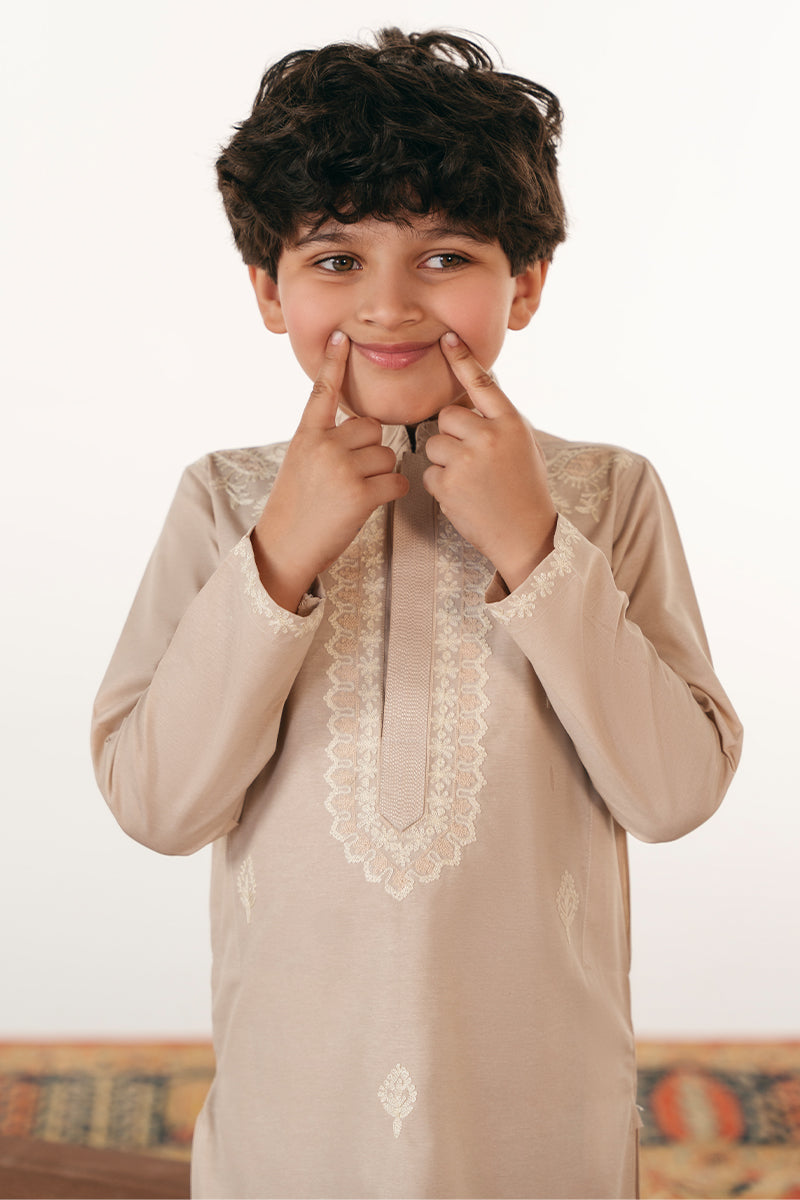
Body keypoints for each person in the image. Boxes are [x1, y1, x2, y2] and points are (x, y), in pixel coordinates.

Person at [91, 28, 742, 1199]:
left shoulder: (606, 496)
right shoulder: (225, 502)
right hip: (293, 1134)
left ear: (524, 283)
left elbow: (673, 792)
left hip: (535, 1137)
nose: (387, 307)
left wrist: (533, 545)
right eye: (335, 259)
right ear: (267, 289)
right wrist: (281, 553)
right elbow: (157, 804)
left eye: (443, 256)